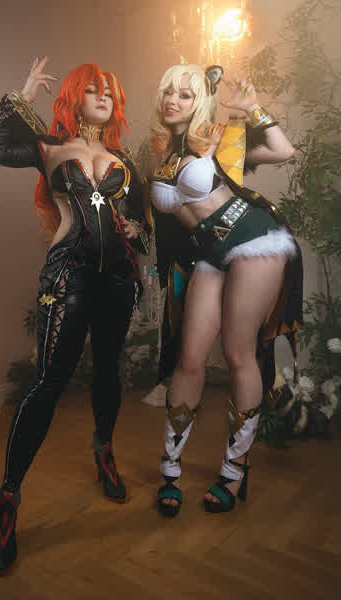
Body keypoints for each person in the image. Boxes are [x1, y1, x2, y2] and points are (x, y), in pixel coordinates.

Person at [0, 57, 152, 574]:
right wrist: (23, 95)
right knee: (48, 382)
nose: (104, 96)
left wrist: (138, 232)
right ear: (74, 96)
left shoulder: (123, 158)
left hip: (118, 279)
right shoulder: (48, 147)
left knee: (108, 369)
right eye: (93, 89)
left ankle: (103, 450)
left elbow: (141, 216)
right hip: (69, 274)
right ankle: (9, 497)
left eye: (110, 91)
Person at [147, 64, 303, 517]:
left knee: (238, 354)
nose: (173, 100)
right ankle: (170, 471)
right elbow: (159, 215)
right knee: (190, 358)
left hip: (254, 240)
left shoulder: (221, 135)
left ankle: (233, 472)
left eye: (185, 94)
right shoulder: (155, 151)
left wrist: (252, 109)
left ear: (200, 101)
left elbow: (284, 150)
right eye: (168, 91)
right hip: (208, 253)